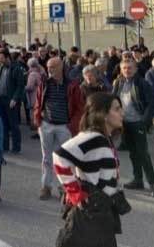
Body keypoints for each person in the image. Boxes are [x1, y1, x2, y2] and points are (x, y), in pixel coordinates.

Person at [53, 92, 130, 247]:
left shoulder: (103, 138)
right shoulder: (93, 138)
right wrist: (75, 192)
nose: (122, 113)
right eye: (117, 109)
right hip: (90, 212)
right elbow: (59, 157)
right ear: (103, 114)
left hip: (99, 210)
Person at [34, 57, 82, 201]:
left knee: (64, 159)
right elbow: (38, 102)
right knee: (46, 158)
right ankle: (46, 186)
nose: (49, 70)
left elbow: (80, 108)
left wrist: (71, 125)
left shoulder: (72, 85)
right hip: (46, 125)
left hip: (64, 126)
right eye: (48, 67)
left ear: (61, 67)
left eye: (53, 67)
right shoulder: (45, 83)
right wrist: (38, 121)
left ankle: (64, 188)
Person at [112, 59, 154, 197]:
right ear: (121, 70)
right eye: (124, 68)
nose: (127, 70)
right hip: (124, 123)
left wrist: (144, 121)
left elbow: (152, 103)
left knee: (143, 154)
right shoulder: (119, 83)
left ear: (136, 69)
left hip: (138, 123)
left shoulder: (142, 83)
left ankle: (153, 185)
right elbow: (113, 100)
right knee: (133, 153)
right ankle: (138, 180)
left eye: (130, 68)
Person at [0, 48, 25, 154]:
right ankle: (4, 146)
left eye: (2, 58)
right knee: (2, 125)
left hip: (11, 101)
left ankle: (16, 148)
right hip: (0, 100)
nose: (0, 60)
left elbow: (20, 86)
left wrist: (15, 98)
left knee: (13, 125)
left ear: (7, 57)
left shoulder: (16, 68)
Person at [26, 57, 46, 138]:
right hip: (40, 94)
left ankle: (39, 132)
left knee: (36, 114)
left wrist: (23, 87)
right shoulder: (40, 71)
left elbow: (30, 87)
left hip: (34, 95)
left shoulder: (32, 74)